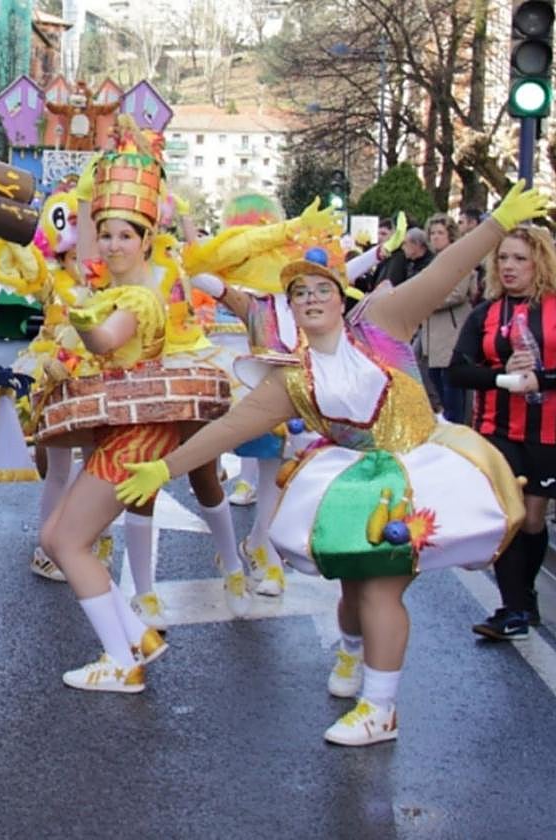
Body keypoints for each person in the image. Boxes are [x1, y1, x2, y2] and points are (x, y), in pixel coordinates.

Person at [116, 182, 544, 745]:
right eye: (299, 294)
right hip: (352, 479)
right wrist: (163, 468)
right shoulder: (293, 380)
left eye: (322, 289)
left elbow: (440, 274)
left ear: (341, 298)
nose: (312, 298)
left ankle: (380, 709)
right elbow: (227, 429)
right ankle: (350, 651)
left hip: (420, 471)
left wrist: (493, 225)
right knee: (352, 594)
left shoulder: (383, 321)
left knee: (380, 592)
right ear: (289, 310)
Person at [37, 135, 175, 694]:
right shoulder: (115, 288)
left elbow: (105, 340)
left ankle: (120, 661)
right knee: (54, 538)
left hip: (133, 439)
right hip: (115, 434)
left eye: (126, 236)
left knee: (68, 543)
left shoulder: (137, 299)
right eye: (108, 233)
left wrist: (81, 319)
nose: (114, 245)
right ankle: (137, 634)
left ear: (147, 242)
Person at [449, 224, 556, 639]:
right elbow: (458, 371)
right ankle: (511, 609)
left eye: (519, 259)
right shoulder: (485, 313)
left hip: (548, 433)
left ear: (539, 263)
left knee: (531, 519)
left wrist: (541, 379)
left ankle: (525, 597)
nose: (509, 267)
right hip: (496, 430)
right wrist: (501, 378)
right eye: (503, 259)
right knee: (508, 516)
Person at [421, 214, 472, 423]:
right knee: (435, 378)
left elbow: (458, 293)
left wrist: (427, 302)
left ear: (450, 235)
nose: (435, 237)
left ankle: (457, 426)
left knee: (451, 383)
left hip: (451, 328)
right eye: (432, 233)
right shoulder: (433, 261)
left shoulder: (460, 257)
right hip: (432, 330)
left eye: (440, 233)